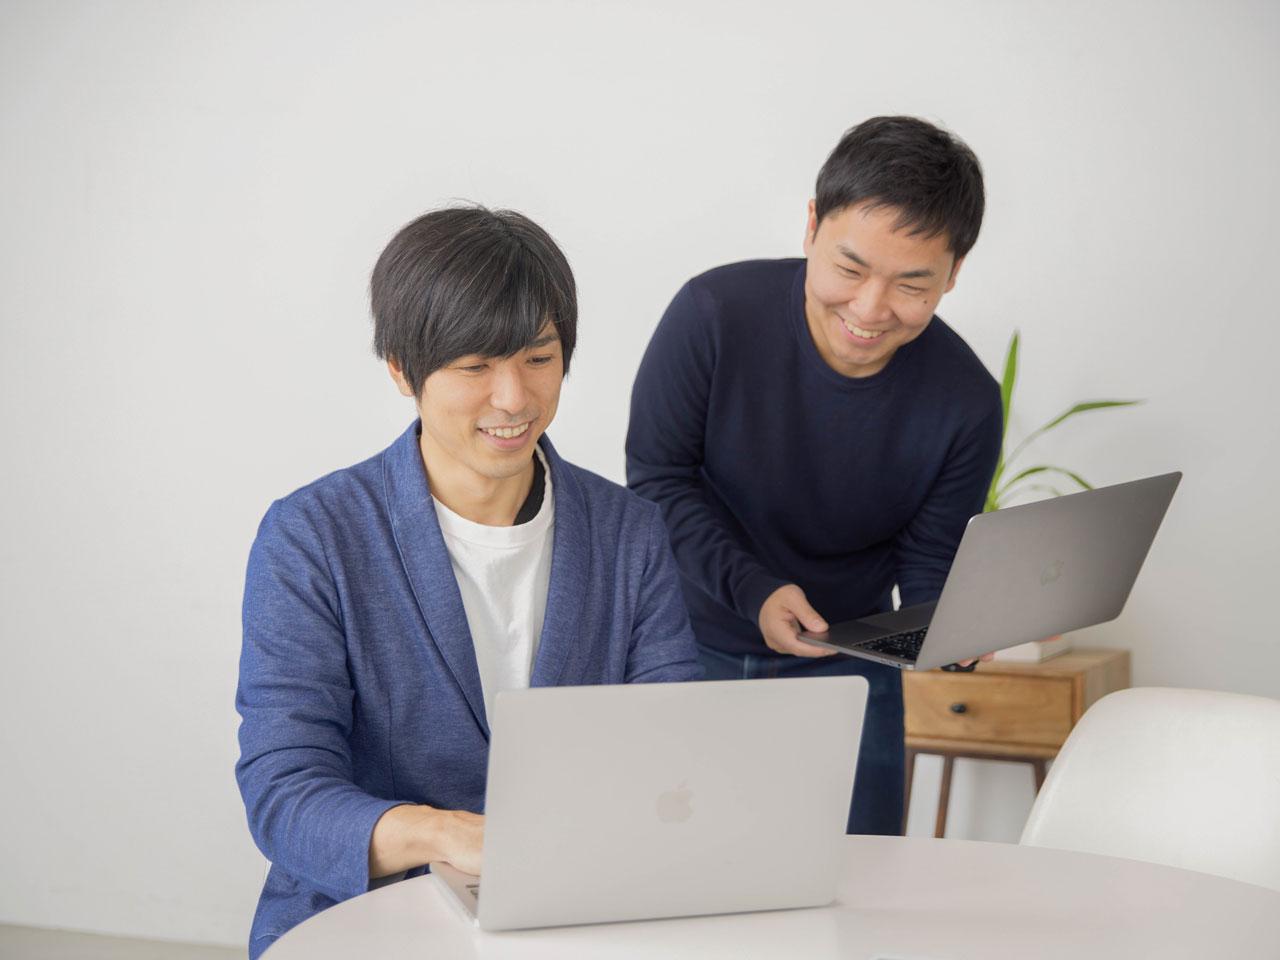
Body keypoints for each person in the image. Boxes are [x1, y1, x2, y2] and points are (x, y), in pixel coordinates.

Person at [236, 206, 702, 958]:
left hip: (577, 910)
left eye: (538, 357)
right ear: (401, 369)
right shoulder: (313, 536)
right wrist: (450, 835)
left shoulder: (629, 533)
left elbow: (672, 750)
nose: (514, 398)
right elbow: (285, 794)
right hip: (368, 920)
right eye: (475, 366)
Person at [626, 116, 1002, 836]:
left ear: (953, 275)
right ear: (810, 227)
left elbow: (929, 557)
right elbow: (658, 480)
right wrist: (754, 590)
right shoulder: (712, 315)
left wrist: (948, 632)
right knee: (676, 873)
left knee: (861, 883)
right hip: (682, 649)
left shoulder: (967, 401)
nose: (869, 310)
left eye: (911, 284)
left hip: (849, 668)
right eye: (850, 269)